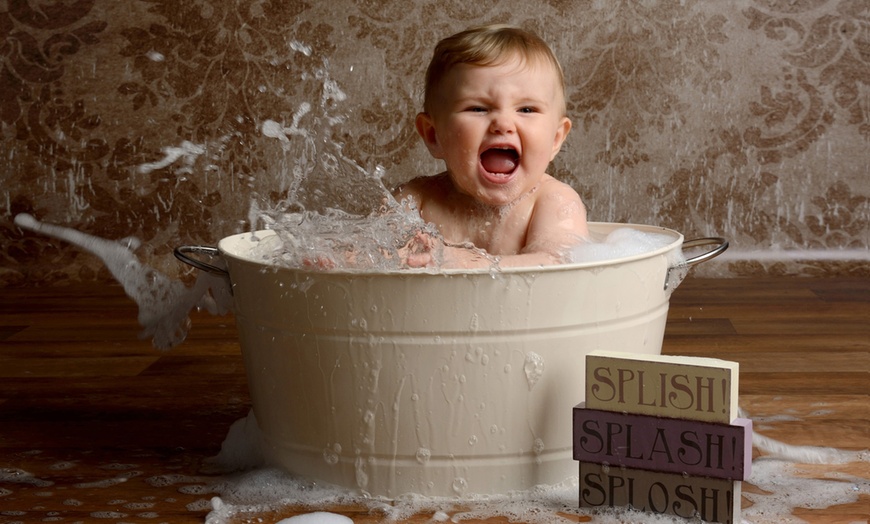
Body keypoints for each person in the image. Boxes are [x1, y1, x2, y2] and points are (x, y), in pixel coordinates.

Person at [395, 24, 588, 269]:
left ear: (555, 139)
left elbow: (559, 265)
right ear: (434, 135)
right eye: (478, 108)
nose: (503, 124)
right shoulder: (417, 200)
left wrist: (466, 261)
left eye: (526, 109)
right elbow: (367, 254)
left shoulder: (553, 202)